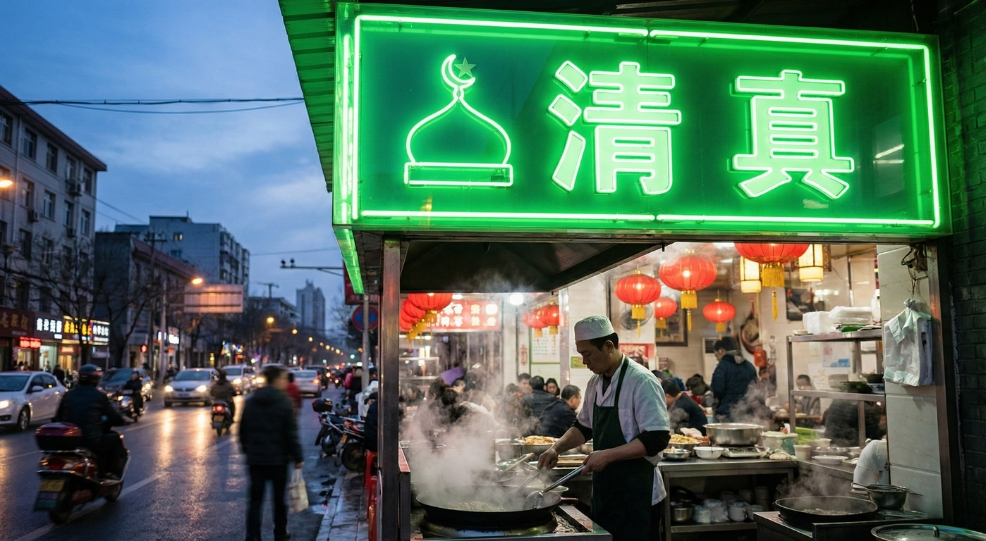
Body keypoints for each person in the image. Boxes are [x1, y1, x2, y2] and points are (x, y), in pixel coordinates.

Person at [538, 316, 670, 541]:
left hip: (638, 494)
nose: (584, 361)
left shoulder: (641, 381)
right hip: (606, 493)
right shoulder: (595, 383)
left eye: (587, 353)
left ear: (609, 346)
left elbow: (657, 438)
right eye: (581, 354)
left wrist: (608, 455)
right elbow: (583, 426)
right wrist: (555, 448)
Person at [240, 365, 304, 541]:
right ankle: (280, 533)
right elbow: (291, 433)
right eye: (283, 378)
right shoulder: (284, 402)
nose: (285, 382)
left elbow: (242, 430)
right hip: (278, 460)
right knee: (278, 501)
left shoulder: (251, 401)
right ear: (276, 380)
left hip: (256, 460)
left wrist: (249, 451)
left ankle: (253, 537)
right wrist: (298, 457)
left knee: (255, 501)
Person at [53, 364, 128, 478]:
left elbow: (58, 417)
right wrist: (122, 420)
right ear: (96, 379)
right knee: (115, 439)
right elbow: (114, 416)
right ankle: (108, 474)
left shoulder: (68, 395)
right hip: (91, 440)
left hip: (69, 440)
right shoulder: (100, 396)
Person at [710, 336, 758, 421]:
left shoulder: (722, 366)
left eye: (716, 355)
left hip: (727, 414)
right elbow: (756, 390)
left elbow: (718, 390)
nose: (717, 358)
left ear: (721, 351)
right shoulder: (750, 366)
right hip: (748, 414)